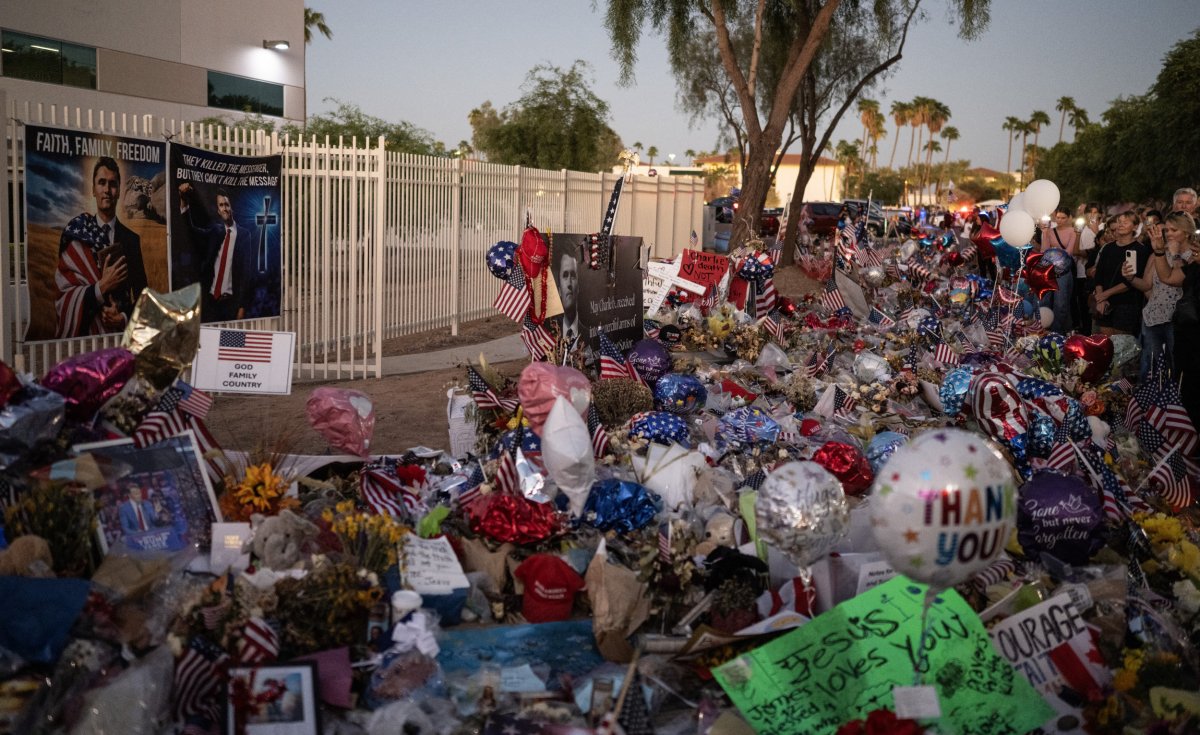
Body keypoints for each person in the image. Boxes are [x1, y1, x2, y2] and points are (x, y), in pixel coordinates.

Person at [54, 157, 148, 338]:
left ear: (119, 191)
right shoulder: (79, 234)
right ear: (93, 190)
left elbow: (143, 297)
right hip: (85, 338)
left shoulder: (131, 240)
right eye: (101, 183)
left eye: (112, 184)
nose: (107, 190)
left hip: (120, 338)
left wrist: (122, 317)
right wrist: (102, 287)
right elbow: (65, 294)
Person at [178, 184, 252, 322]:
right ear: (218, 210)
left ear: (232, 208)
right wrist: (184, 203)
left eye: (227, 205)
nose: (225, 208)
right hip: (210, 302)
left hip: (231, 304)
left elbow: (245, 275)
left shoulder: (244, 235)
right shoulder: (215, 231)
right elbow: (191, 231)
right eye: (221, 205)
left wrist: (242, 307)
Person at [1092, 211, 1151, 336]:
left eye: (1125, 222)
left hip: (1126, 303)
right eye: (1119, 222)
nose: (1121, 225)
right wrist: (1100, 298)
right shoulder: (1108, 248)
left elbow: (1131, 280)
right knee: (1105, 342)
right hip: (1104, 302)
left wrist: (1105, 295)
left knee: (1121, 345)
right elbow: (1099, 275)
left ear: (1135, 227)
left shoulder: (1140, 250)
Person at [556, 249, 582, 348]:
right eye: (565, 275)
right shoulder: (551, 337)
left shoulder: (591, 337)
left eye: (573, 276)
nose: (569, 284)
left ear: (578, 287)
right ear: (559, 290)